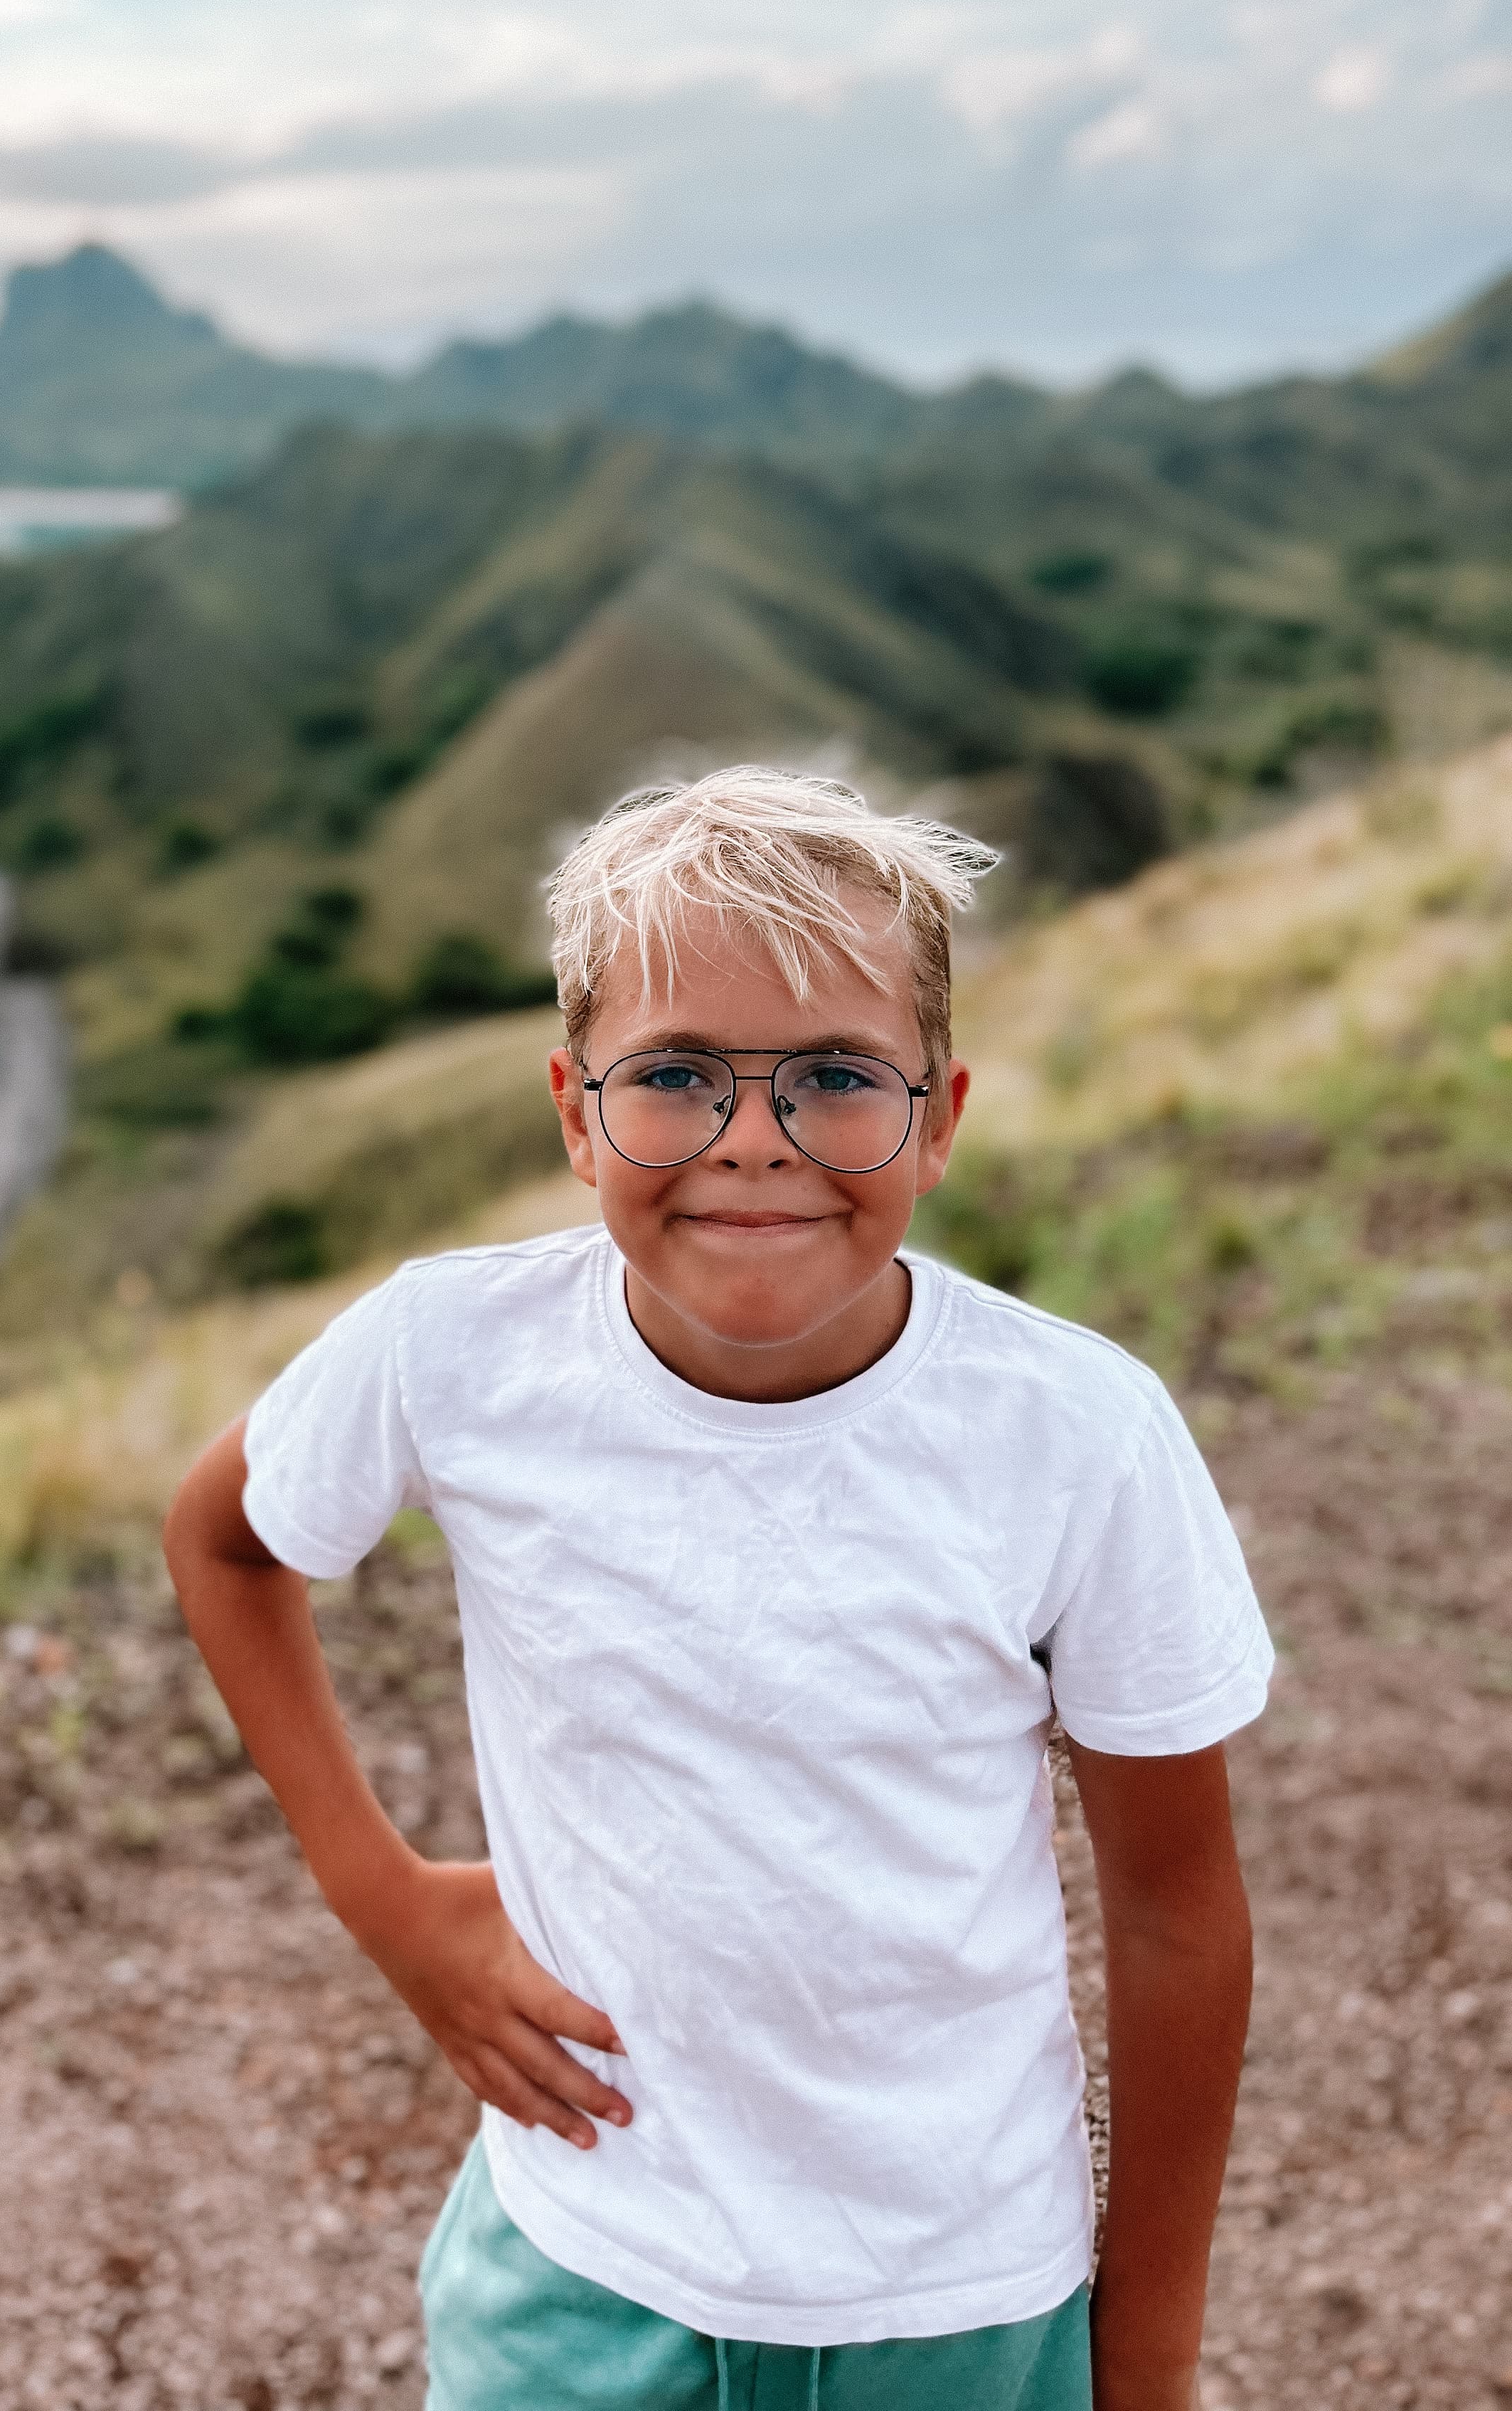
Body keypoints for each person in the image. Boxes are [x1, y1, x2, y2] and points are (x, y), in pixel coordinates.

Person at [165, 765, 1270, 2411]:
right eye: (676, 1075)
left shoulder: (1074, 1435)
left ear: (941, 1117)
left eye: (836, 1077)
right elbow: (225, 1538)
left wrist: (1151, 2360)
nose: (754, 1142)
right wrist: (383, 1898)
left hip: (958, 2304)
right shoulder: (451, 1354)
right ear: (573, 1110)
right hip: (577, 2274)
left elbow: (1178, 1913)